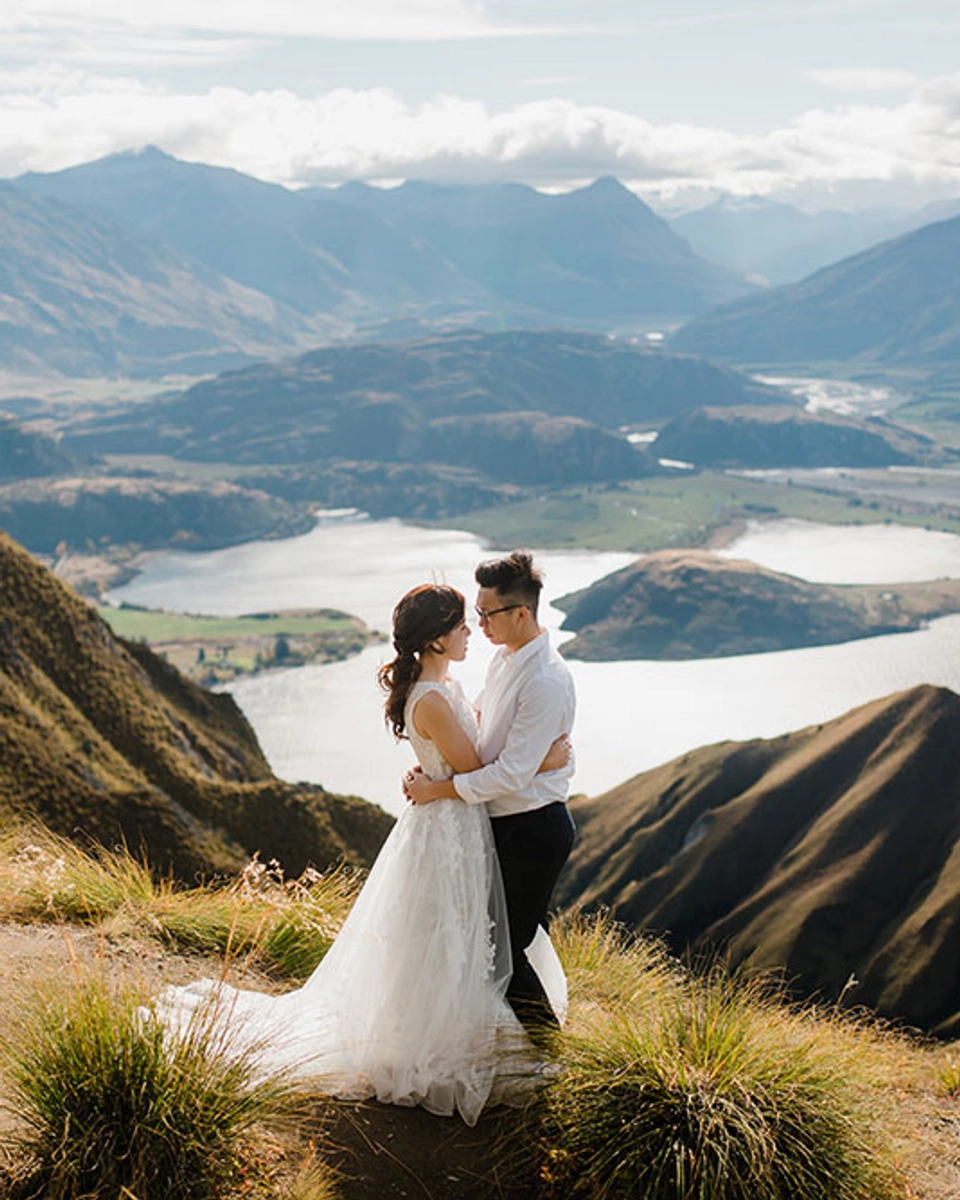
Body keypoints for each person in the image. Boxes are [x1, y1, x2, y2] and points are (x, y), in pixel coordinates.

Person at [150, 582, 568, 1127]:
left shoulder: (442, 686)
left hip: (457, 826)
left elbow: (471, 758)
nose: (472, 633)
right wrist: (543, 761)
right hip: (448, 829)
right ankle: (444, 1043)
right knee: (450, 935)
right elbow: (472, 769)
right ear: (438, 639)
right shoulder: (435, 699)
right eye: (462, 625)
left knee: (454, 936)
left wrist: (447, 776)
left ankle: (460, 1033)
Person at [405, 551, 577, 1040]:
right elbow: (478, 727)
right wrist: (434, 758)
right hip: (500, 824)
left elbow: (507, 776)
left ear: (520, 613)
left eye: (487, 614)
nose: (478, 624)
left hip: (533, 827)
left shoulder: (544, 679)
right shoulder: (506, 660)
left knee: (506, 946)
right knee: (499, 940)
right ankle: (510, 1042)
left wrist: (437, 787)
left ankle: (549, 1053)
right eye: (474, 615)